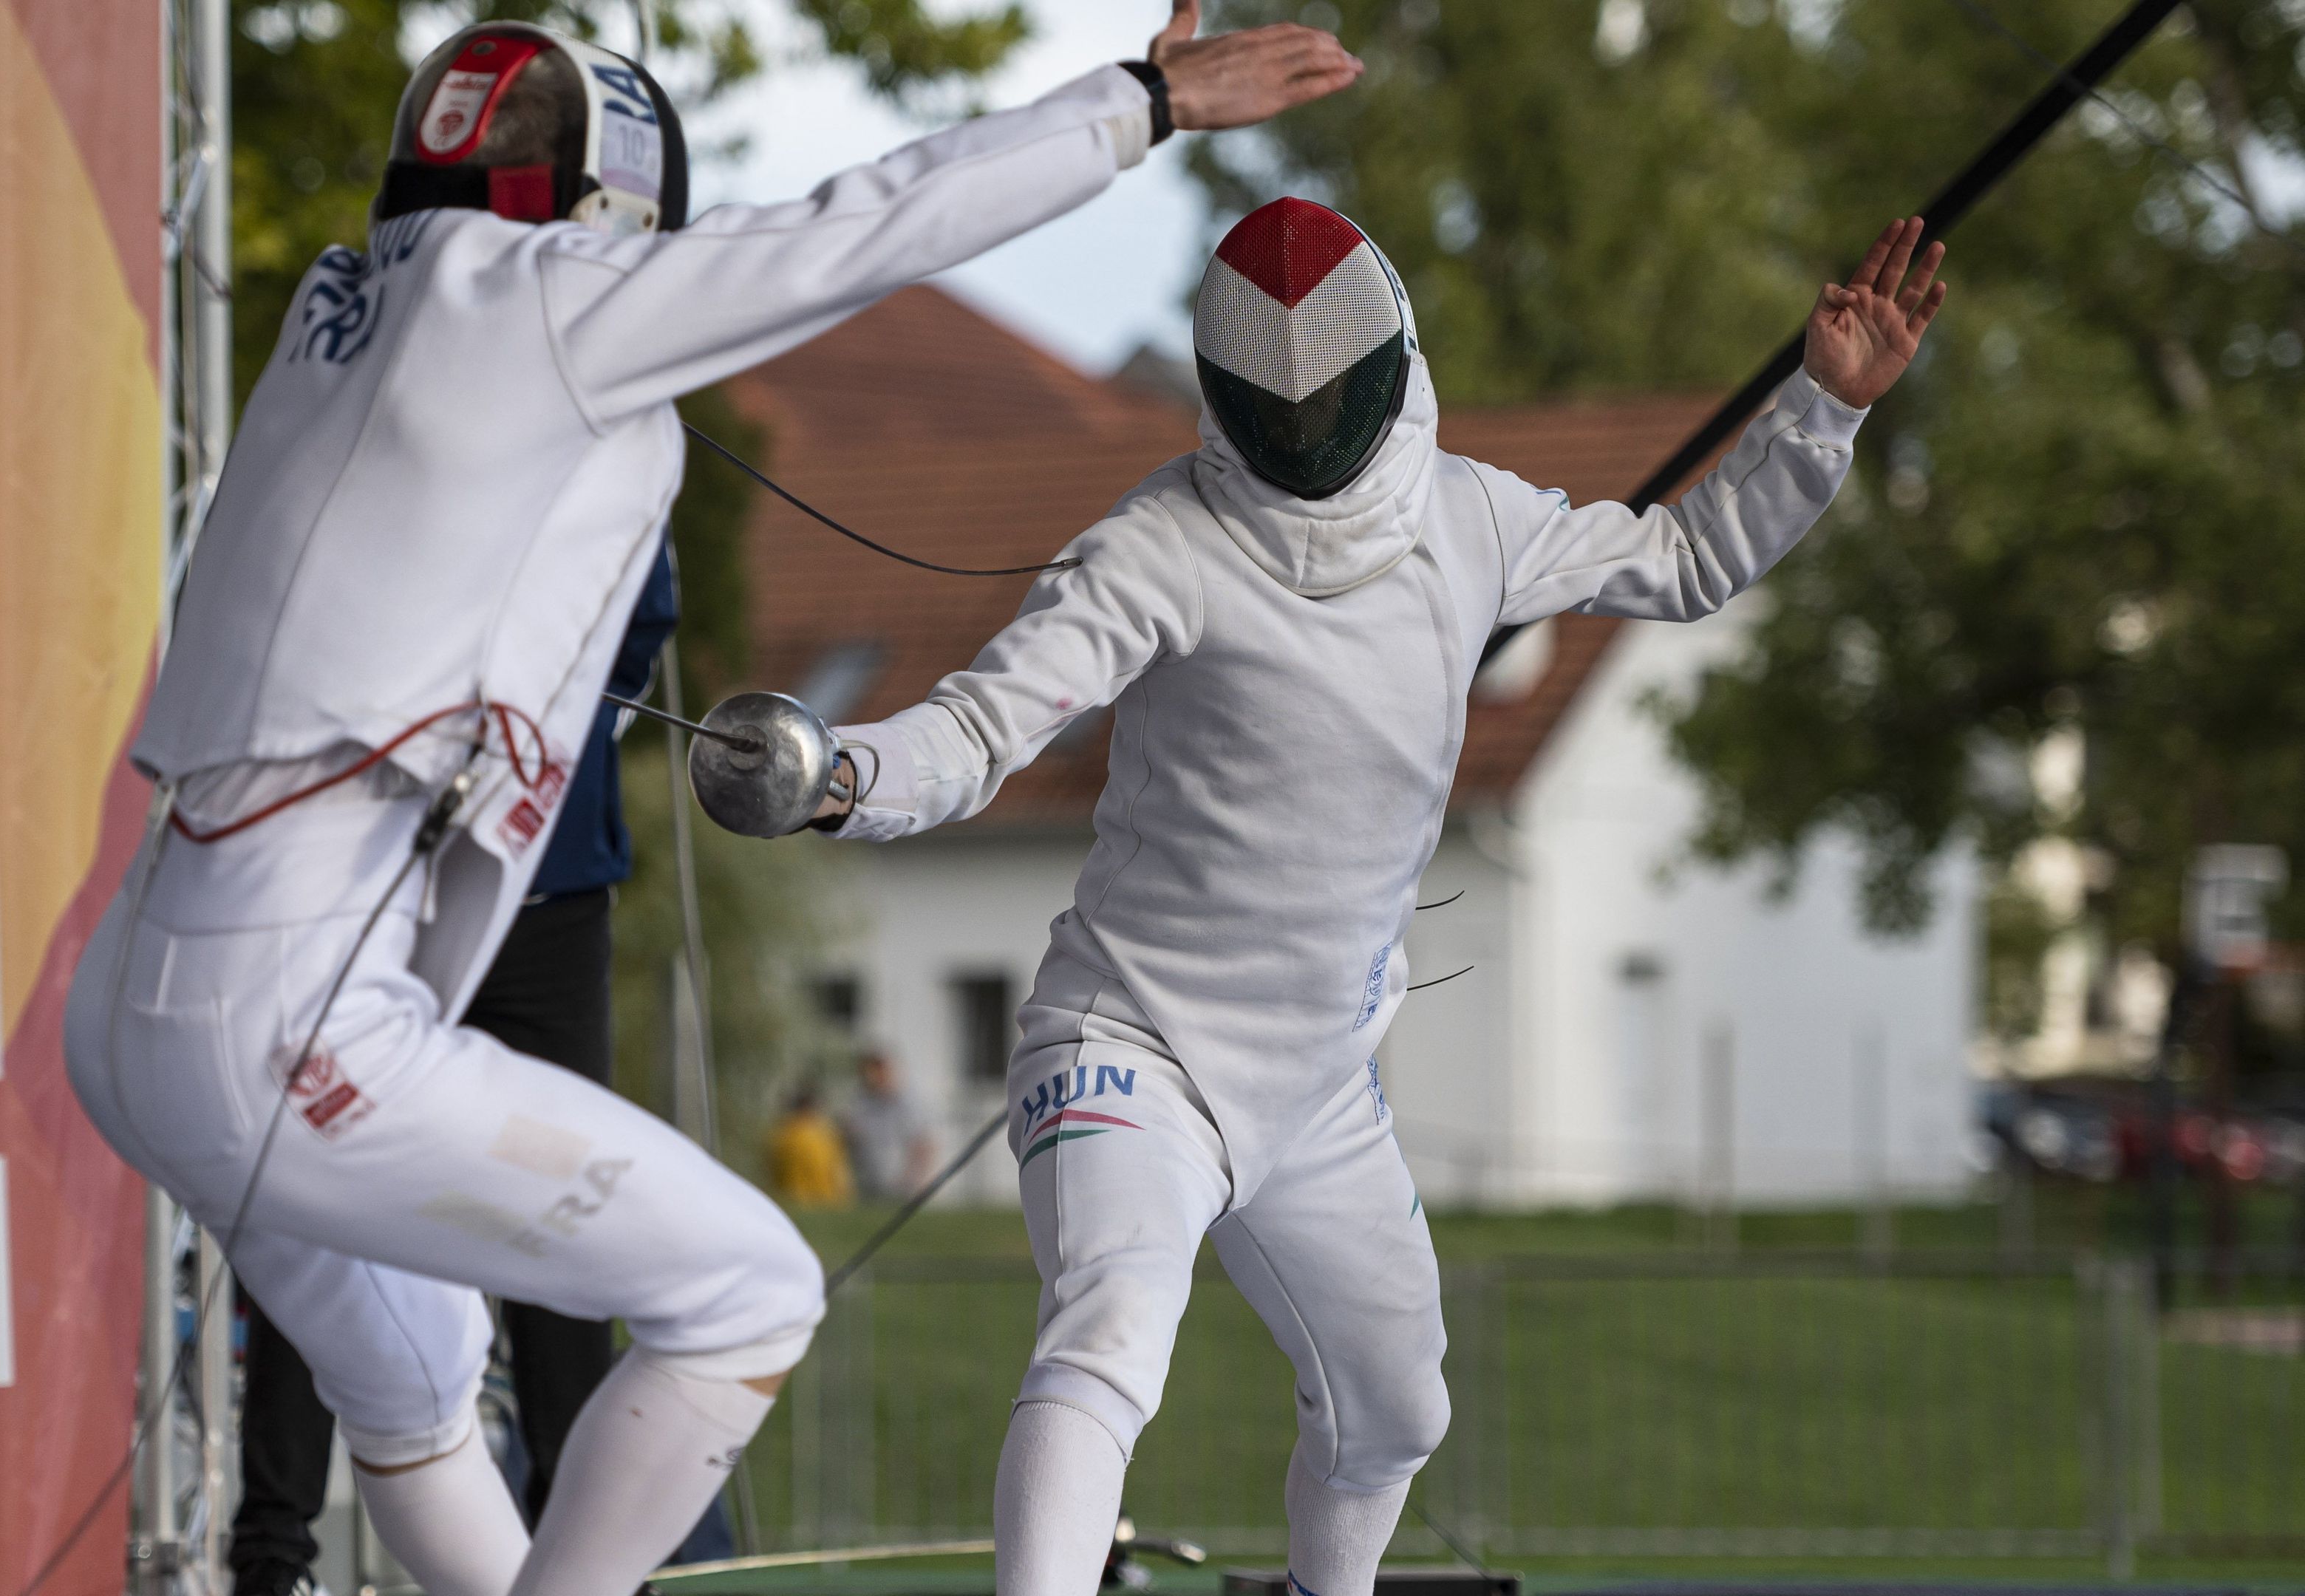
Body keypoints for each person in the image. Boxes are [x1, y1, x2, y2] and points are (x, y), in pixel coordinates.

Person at [62, 7, 1366, 1592]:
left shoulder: (345, 313)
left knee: (416, 1386)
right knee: (749, 1294)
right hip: (287, 1022)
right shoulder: (532, 301)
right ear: (610, 202)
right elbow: (861, 228)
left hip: (135, 999)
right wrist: (1141, 102)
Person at [804, 202, 1949, 1594]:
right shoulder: (1159, 546)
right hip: (1132, 1050)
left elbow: (1690, 559)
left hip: (1321, 1085)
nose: (1310, 427)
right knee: (1107, 1337)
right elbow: (981, 730)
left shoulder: (1471, 518)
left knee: (1399, 1409)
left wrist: (1822, 410)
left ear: (1385, 365)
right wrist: (846, 768)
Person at [225, 559, 736, 1595]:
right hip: (376, 878)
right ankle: (273, 1558)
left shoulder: (621, 431)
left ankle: (589, 1559)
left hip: (547, 891)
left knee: (563, 1223)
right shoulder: (388, 409)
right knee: (311, 1203)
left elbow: (639, 615)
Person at [840, 1048, 935, 1201]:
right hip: (870, 1184)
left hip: (902, 1186)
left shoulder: (907, 1102)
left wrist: (913, 1179)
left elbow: (923, 1145)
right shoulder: (862, 1101)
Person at [764, 1086, 854, 1209]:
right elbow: (837, 1172)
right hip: (826, 1200)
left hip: (792, 1201)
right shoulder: (826, 1134)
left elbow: (772, 1170)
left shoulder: (781, 1134)